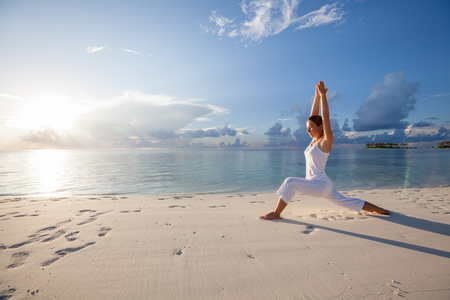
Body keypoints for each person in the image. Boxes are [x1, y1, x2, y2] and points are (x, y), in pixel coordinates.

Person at [261, 81, 390, 220]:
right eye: (307, 127)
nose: (308, 130)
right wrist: (316, 96)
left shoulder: (325, 142)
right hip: (320, 184)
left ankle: (276, 213)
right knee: (348, 201)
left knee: (289, 182)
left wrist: (323, 95)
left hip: (319, 185)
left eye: (311, 127)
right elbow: (313, 116)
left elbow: (325, 116)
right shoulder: (313, 141)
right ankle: (380, 210)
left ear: (320, 127)